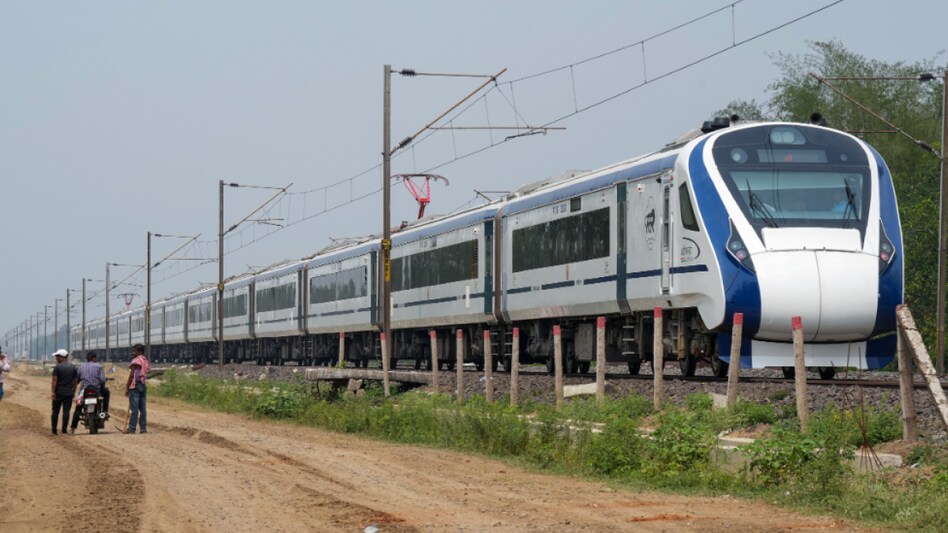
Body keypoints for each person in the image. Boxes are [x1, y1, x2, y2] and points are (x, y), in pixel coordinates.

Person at [69, 351, 110, 434]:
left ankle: (72, 429)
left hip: (85, 391)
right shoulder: (99, 366)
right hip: (96, 391)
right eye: (96, 357)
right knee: (106, 392)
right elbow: (102, 380)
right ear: (94, 358)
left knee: (78, 408)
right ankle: (105, 411)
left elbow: (77, 380)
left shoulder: (81, 367)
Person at [50, 349, 78, 435]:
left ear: (62, 357)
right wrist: (73, 391)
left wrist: (53, 392)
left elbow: (55, 380)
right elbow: (75, 381)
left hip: (59, 392)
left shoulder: (57, 367)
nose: (56, 358)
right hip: (68, 393)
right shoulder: (73, 367)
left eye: (57, 357)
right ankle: (64, 429)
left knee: (55, 411)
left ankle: (54, 430)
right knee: (66, 412)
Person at [125, 344, 150, 434]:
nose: (133, 353)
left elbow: (132, 375)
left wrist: (127, 387)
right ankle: (143, 429)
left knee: (134, 409)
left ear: (139, 352)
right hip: (143, 385)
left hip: (134, 386)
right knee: (143, 409)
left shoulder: (135, 361)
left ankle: (132, 428)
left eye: (135, 351)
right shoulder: (145, 360)